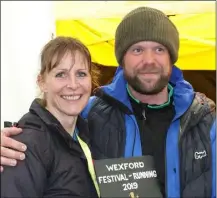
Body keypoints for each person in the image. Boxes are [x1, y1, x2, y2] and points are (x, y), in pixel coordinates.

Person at [1, 6, 216, 198]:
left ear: (172, 57)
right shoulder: (90, 113)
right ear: (122, 59)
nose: (149, 60)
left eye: (159, 49)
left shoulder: (206, 121)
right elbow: (47, 129)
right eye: (137, 50)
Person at [1, 36, 99, 197]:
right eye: (61, 74)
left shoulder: (85, 134)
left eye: (81, 74)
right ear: (42, 82)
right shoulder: (26, 144)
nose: (73, 85)